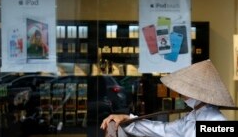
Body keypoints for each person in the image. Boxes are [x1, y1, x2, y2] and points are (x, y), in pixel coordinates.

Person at [100, 59, 235, 137]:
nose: (181, 94)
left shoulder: (217, 122)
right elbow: (163, 130)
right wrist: (127, 119)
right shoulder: (193, 116)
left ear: (197, 93)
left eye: (185, 90)